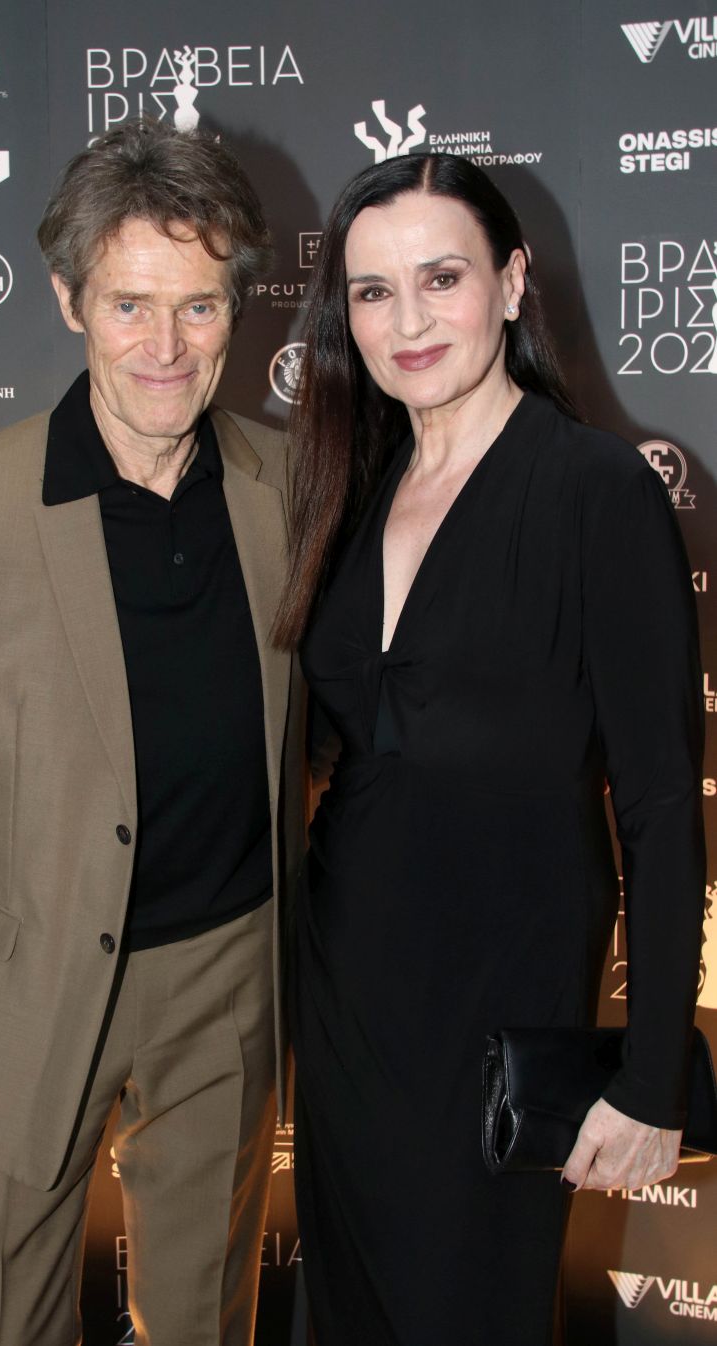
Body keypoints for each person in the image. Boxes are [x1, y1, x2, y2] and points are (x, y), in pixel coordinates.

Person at [0, 119, 305, 1346]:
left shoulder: (285, 483)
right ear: (68, 303)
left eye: (199, 306)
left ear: (236, 307)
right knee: (12, 1319)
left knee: (205, 1319)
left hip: (226, 972)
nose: (166, 346)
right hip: (22, 993)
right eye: (129, 305)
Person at [273, 152, 705, 1346]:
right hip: (347, 995)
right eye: (372, 291)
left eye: (442, 278)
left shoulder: (596, 489)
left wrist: (651, 1080)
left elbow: (663, 804)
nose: (407, 322)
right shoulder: (349, 487)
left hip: (500, 1007)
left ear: (512, 284)